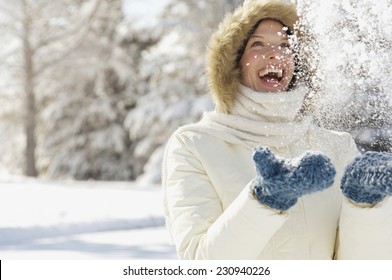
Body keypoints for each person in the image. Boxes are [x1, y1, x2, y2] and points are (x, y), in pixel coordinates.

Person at [162, 0, 392, 260]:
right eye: (258, 44)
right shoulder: (195, 145)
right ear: (233, 62)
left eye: (285, 45)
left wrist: (366, 206)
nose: (275, 54)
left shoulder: (337, 147)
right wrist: (263, 201)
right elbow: (198, 266)